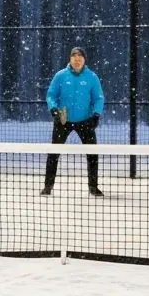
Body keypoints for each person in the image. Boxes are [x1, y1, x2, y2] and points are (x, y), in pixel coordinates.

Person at [43, 46, 105, 196]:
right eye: (74, 57)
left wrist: (96, 114)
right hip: (63, 121)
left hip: (85, 121)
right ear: (69, 59)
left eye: (80, 58)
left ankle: (93, 187)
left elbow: (99, 98)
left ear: (84, 60)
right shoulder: (60, 76)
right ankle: (48, 186)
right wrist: (54, 110)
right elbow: (51, 95)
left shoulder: (92, 77)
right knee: (54, 153)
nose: (77, 60)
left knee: (92, 154)